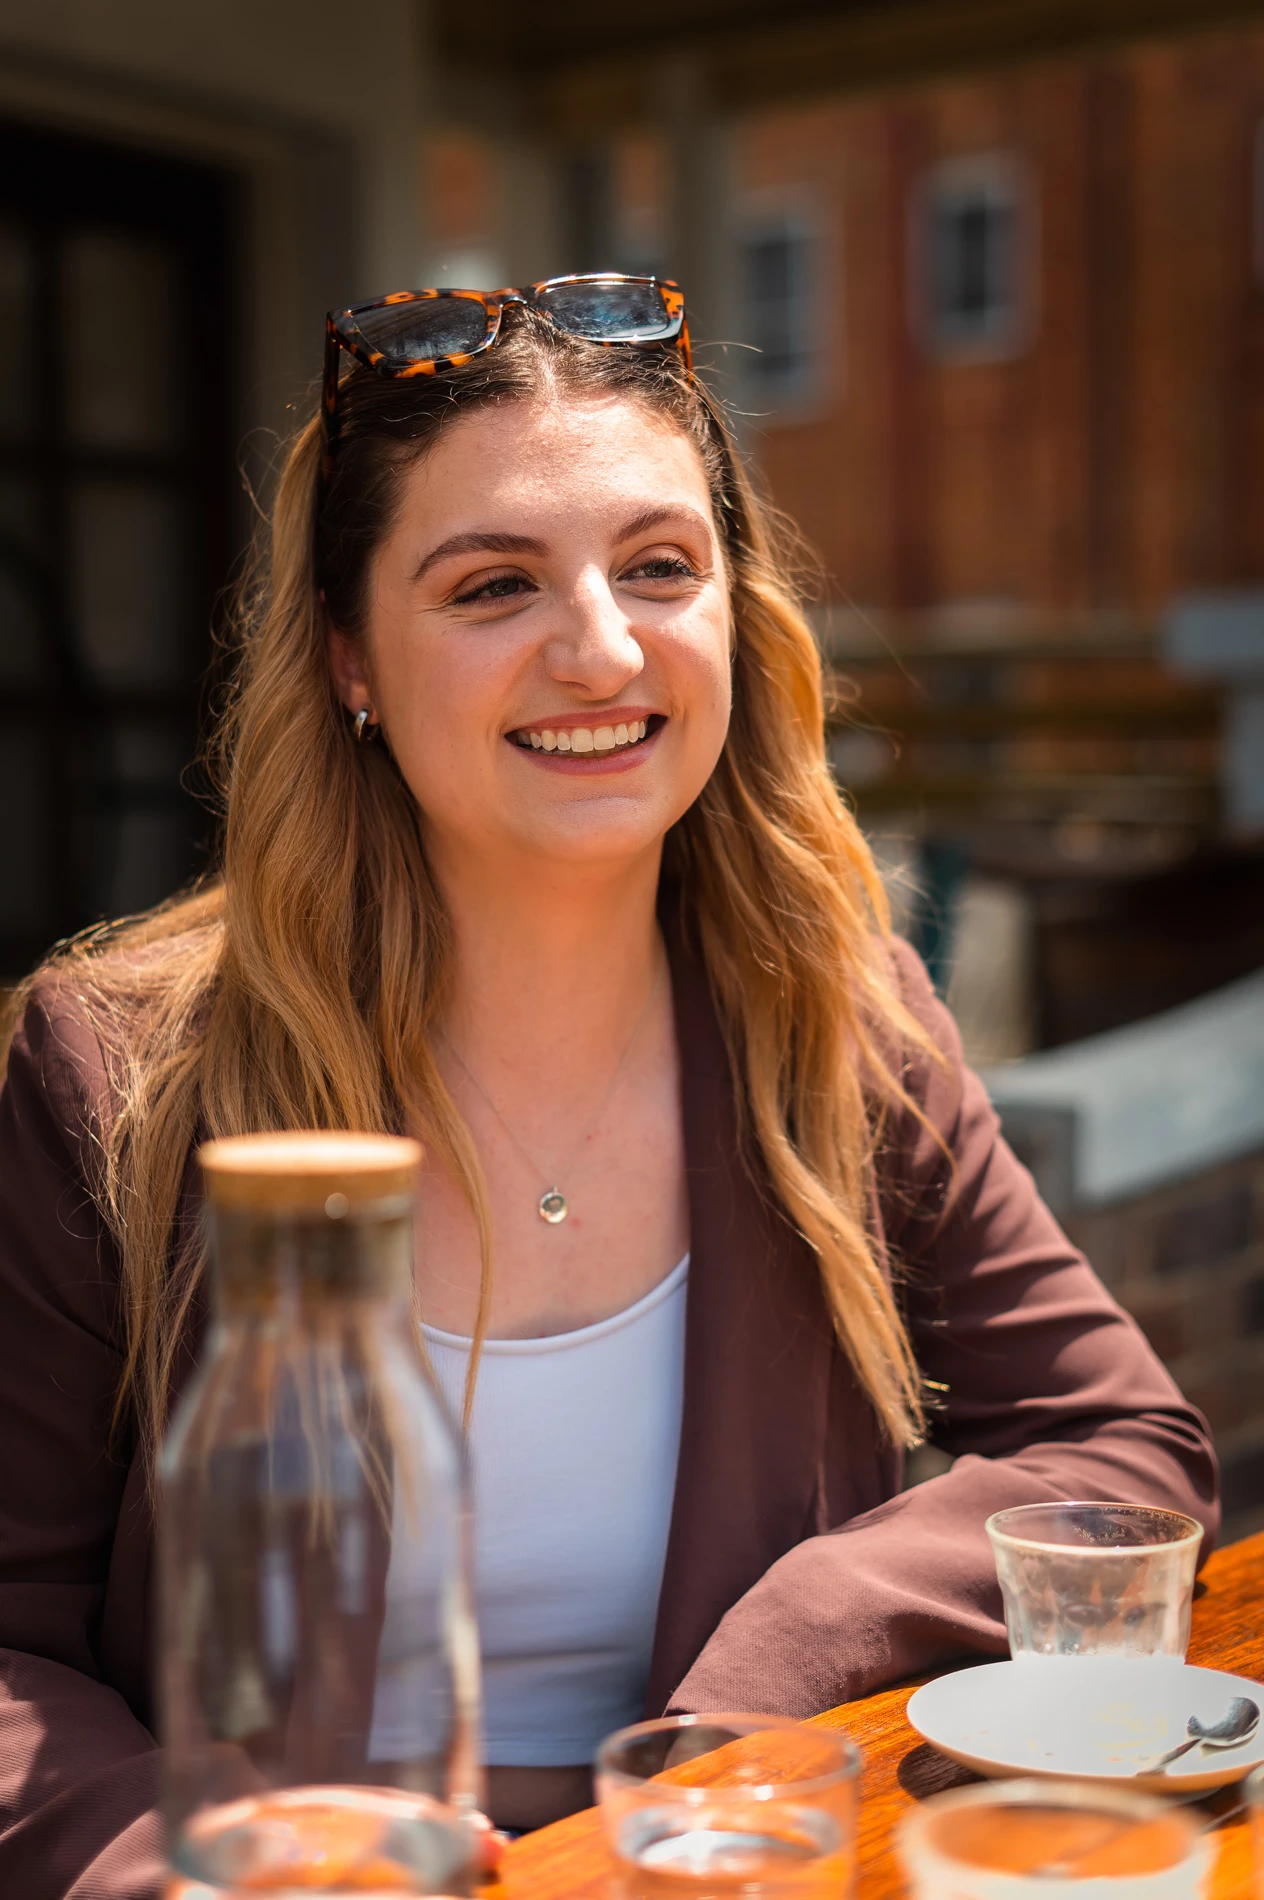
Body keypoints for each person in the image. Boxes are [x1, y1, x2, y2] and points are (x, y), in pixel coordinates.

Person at [0, 276, 1216, 1896]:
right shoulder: (116, 1070)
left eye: (660, 567)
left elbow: (1121, 1445)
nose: (600, 648)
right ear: (351, 657)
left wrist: (787, 1657)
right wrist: (187, 1871)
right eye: (494, 585)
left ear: (734, 610)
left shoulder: (841, 1018)